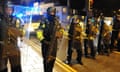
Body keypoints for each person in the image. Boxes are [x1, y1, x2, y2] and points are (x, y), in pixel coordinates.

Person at [0, 3, 23, 72]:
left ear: (13, 10)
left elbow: (21, 32)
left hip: (14, 47)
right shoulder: (1, 20)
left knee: (16, 67)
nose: (9, 11)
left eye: (11, 9)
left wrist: (17, 33)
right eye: (7, 9)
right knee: (2, 67)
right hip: (2, 48)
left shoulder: (17, 20)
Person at [39, 7, 63, 72]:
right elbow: (39, 31)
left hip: (54, 43)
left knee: (52, 59)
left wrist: (60, 34)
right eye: (51, 12)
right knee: (46, 60)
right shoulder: (44, 20)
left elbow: (61, 29)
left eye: (54, 12)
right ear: (48, 12)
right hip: (46, 43)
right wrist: (42, 39)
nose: (52, 13)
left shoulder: (56, 21)